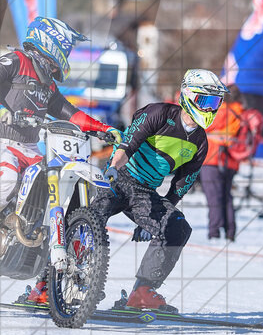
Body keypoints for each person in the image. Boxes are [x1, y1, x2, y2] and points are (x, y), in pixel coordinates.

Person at [0, 16, 121, 268]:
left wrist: (103, 128)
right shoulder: (15, 60)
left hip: (30, 149)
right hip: (1, 143)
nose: (66, 54)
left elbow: (71, 113)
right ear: (50, 41)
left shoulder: (47, 84)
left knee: (56, 186)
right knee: (6, 180)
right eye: (66, 48)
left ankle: (43, 263)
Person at [90, 69, 228, 311]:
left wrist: (154, 220)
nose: (209, 109)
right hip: (118, 177)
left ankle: (142, 292)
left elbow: (180, 187)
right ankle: (48, 284)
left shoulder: (200, 142)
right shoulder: (158, 114)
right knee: (87, 220)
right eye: (204, 101)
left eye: (215, 103)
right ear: (188, 96)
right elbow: (128, 145)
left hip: (144, 192)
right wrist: (112, 169)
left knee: (177, 228)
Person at [201, 85, 245, 242]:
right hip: (231, 161)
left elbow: (201, 125)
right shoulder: (241, 112)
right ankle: (230, 231)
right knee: (226, 196)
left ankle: (214, 232)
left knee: (213, 197)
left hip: (212, 159)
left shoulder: (221, 111)